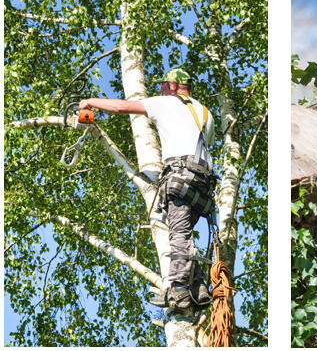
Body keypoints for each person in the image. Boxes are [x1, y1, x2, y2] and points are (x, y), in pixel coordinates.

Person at [79, 68, 216, 310]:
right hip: (203, 185)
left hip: (180, 180)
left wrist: (90, 102)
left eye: (163, 85)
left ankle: (179, 291)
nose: (160, 90)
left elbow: (122, 107)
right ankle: (198, 286)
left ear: (173, 86)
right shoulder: (206, 113)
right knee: (185, 234)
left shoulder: (166, 103)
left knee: (179, 234)